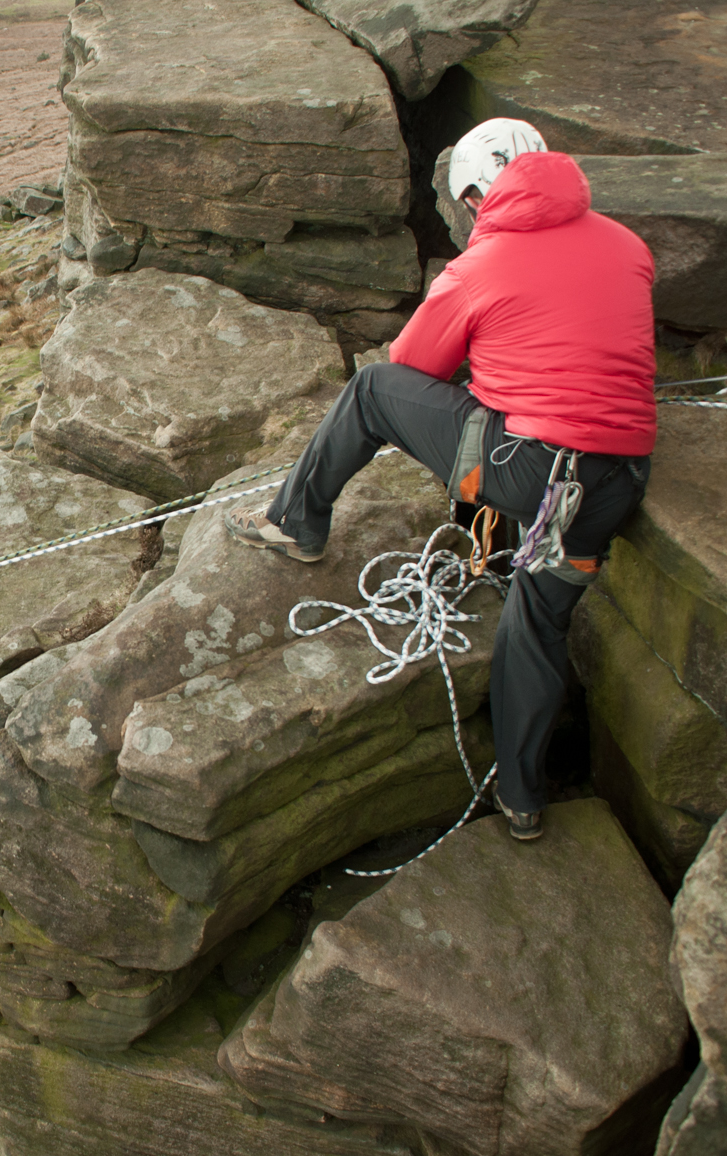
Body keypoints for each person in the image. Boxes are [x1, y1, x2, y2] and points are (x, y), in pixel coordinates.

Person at [224, 119, 653, 843]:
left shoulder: (481, 264)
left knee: (369, 390)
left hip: (526, 473)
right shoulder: (626, 245)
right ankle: (522, 798)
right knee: (536, 619)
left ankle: (296, 523)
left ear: (482, 191)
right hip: (611, 487)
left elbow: (410, 366)